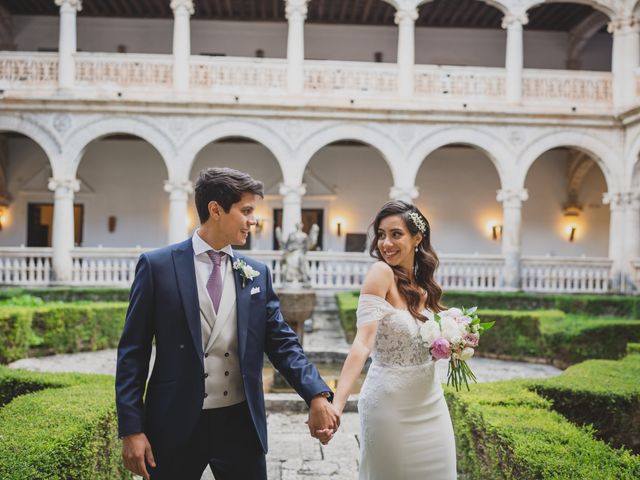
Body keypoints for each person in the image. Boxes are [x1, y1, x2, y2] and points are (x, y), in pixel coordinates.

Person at [115, 167, 339, 480]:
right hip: (174, 423)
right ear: (215, 209)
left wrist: (316, 394)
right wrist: (131, 429)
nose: (253, 220)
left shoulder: (257, 272)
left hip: (240, 425)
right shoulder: (157, 266)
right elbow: (132, 354)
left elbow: (282, 342)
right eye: (246, 211)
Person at [329, 200, 457, 479]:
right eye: (381, 234)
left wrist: (458, 340)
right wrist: (337, 405)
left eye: (395, 234)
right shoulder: (380, 273)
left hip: (431, 403)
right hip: (390, 407)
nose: (386, 243)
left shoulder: (425, 287)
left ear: (417, 238)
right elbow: (363, 343)